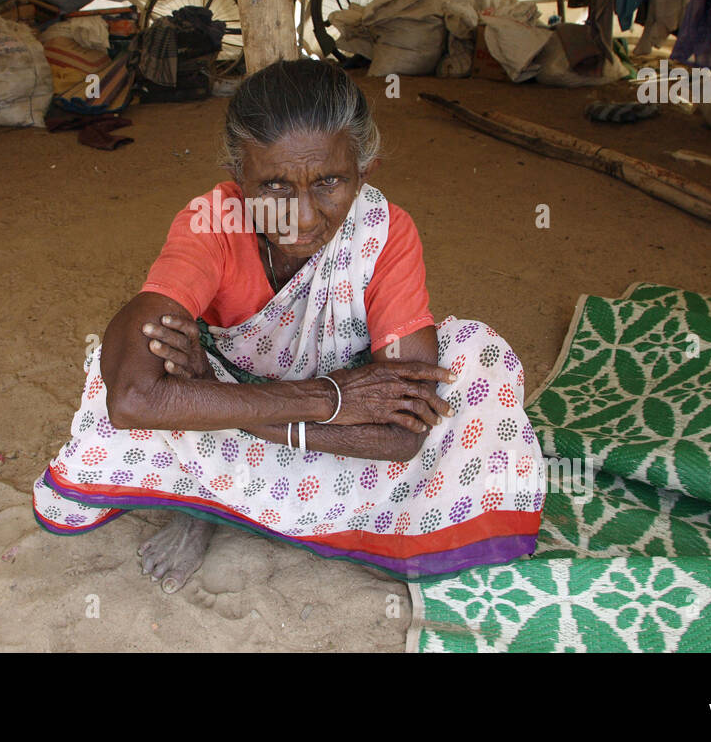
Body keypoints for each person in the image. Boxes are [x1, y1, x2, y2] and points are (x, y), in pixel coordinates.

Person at [33, 59, 544, 591]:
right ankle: (206, 507)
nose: (301, 217)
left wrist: (213, 399)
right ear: (239, 178)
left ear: (363, 172)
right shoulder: (214, 221)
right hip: (323, 415)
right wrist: (328, 398)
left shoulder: (384, 233)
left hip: (271, 421)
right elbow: (131, 398)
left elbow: (400, 438)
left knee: (474, 362)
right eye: (274, 186)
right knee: (122, 363)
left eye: (329, 182)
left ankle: (212, 500)